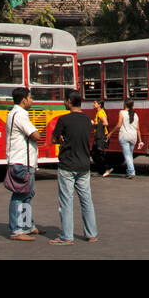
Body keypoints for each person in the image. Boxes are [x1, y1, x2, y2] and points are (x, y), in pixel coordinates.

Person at [49, 90, 98, 245]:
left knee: (66, 201)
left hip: (67, 165)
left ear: (69, 102)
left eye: (65, 100)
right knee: (86, 200)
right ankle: (91, 234)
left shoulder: (63, 120)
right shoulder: (87, 120)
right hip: (84, 164)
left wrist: (61, 139)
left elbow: (53, 138)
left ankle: (66, 236)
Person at [6, 86, 42, 240]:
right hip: (21, 161)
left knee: (27, 194)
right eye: (30, 97)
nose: (32, 100)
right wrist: (37, 132)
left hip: (25, 161)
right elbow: (35, 135)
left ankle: (27, 225)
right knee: (20, 195)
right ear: (23, 100)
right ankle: (17, 229)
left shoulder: (15, 113)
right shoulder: (20, 115)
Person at [108, 98, 142, 178]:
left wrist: (111, 133)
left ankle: (131, 172)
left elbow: (119, 125)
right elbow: (138, 129)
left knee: (127, 155)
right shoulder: (135, 114)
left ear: (125, 104)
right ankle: (129, 171)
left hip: (124, 136)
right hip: (134, 137)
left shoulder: (122, 112)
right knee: (130, 155)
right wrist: (140, 140)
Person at [91, 99, 111, 177]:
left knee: (99, 153)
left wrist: (94, 123)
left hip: (101, 136)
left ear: (99, 105)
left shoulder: (101, 112)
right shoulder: (99, 112)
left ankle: (107, 169)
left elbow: (106, 123)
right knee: (94, 153)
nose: (93, 104)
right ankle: (101, 170)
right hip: (98, 136)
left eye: (95, 103)